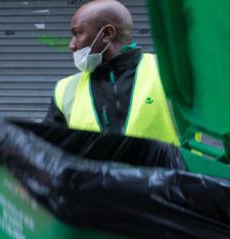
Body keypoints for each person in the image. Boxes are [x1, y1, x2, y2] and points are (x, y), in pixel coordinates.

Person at [43, 0, 179, 145]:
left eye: (78, 34)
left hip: (172, 168)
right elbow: (46, 149)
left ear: (107, 34)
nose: (71, 45)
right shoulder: (65, 90)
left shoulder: (168, 72)